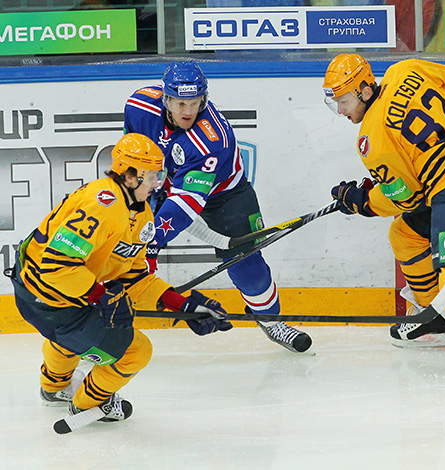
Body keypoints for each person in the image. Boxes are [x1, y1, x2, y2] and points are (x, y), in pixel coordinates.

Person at [323, 53, 445, 397]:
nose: (341, 110)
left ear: (364, 90)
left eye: (343, 101)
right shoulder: (407, 69)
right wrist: (440, 141)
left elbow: (407, 198)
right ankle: (433, 316)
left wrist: (363, 202)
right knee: (405, 234)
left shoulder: (371, 138)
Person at [8, 133, 232, 428]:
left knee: (73, 338)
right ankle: (87, 403)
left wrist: (182, 305)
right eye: (151, 176)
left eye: (160, 175)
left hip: (47, 296)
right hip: (52, 302)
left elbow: (133, 276)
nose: (157, 183)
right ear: (129, 176)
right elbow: (57, 266)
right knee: (136, 352)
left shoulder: (140, 213)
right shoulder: (103, 205)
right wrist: (101, 296)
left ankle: (53, 387)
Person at [123, 60, 312, 353]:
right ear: (166, 99)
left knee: (247, 265)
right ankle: (106, 320)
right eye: (180, 103)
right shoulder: (139, 107)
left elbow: (185, 204)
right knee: (123, 247)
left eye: (195, 102)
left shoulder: (211, 140)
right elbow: (134, 157)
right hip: (162, 182)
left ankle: (271, 320)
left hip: (225, 194)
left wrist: (153, 240)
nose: (188, 111)